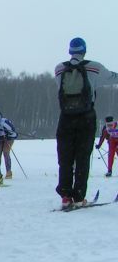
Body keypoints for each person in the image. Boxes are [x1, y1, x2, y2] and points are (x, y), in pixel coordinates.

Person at [55, 37, 118, 207]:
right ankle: (79, 196)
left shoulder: (59, 69)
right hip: (86, 116)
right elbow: (113, 78)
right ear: (84, 51)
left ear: (70, 51)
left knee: (65, 157)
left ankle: (65, 197)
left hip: (65, 118)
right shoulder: (95, 67)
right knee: (83, 157)